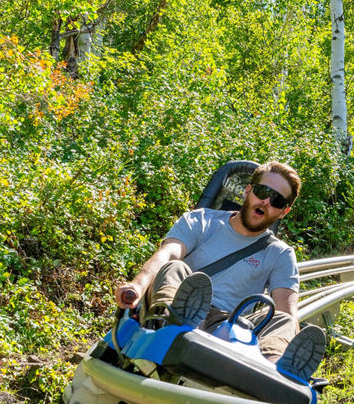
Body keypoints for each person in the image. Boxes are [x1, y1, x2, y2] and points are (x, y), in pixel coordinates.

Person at [114, 161, 325, 381]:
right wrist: (137, 285)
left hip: (227, 327)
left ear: (283, 212)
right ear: (248, 191)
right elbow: (167, 254)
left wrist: (285, 334)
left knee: (283, 319)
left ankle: (274, 373)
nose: (266, 201)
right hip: (178, 301)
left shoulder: (280, 254)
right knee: (176, 267)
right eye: (263, 192)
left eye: (277, 200)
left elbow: (287, 312)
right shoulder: (201, 220)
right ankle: (173, 326)